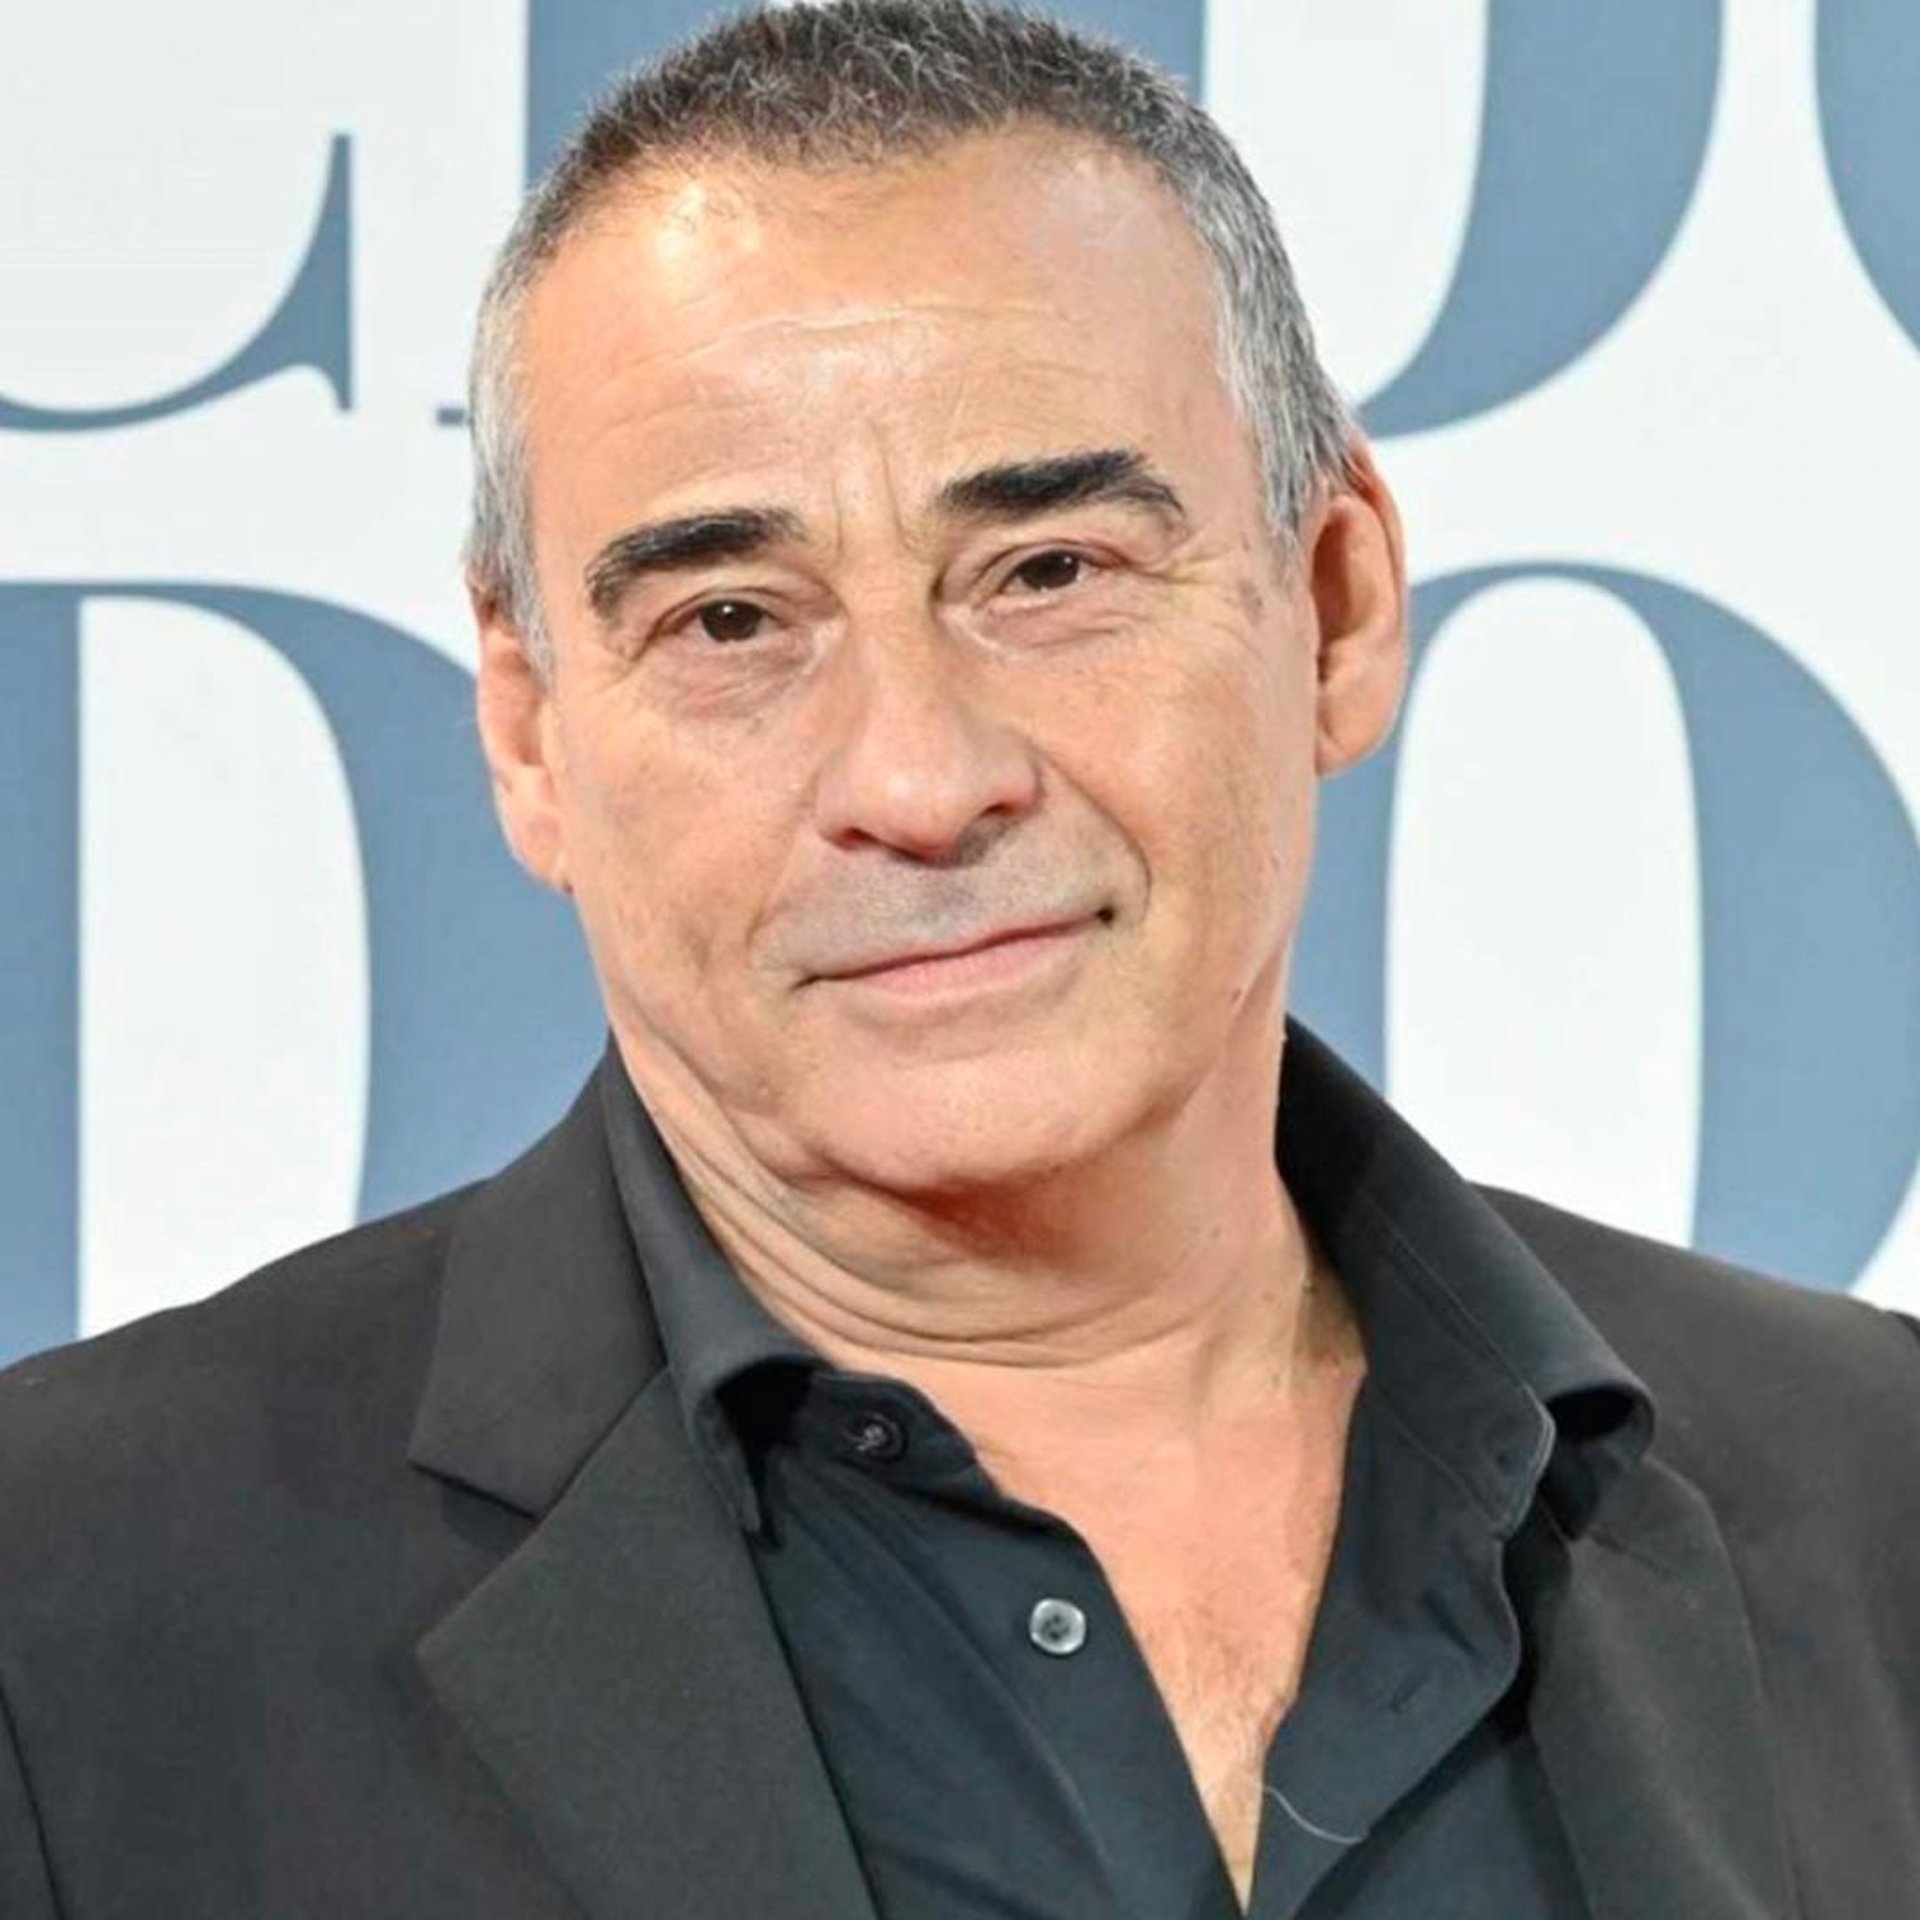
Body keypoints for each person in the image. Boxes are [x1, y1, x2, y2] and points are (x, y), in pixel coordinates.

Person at [2, 3, 1916, 1915]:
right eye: (732, 619)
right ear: (529, 733)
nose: (919, 783)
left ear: (1333, 606)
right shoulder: (68, 1608)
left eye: (1050, 572)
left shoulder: (1879, 1484)